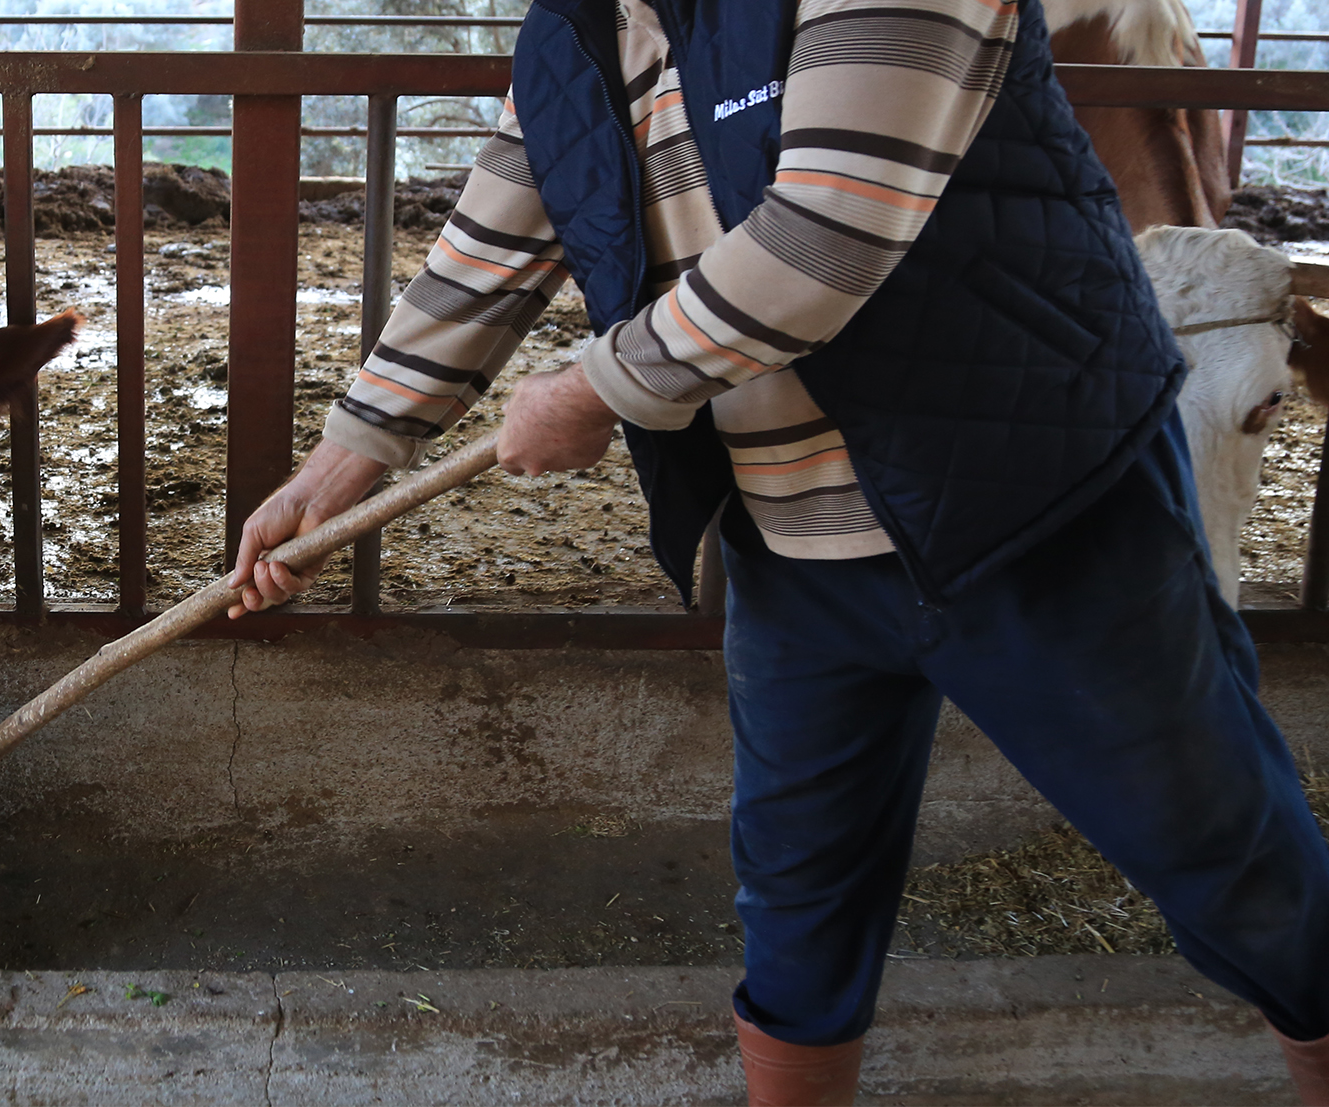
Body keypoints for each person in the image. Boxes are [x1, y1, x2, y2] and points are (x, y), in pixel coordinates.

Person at [225, 0, 1329, 1102]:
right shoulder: (579, 27)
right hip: (792, 531)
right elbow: (487, 251)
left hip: (1031, 510)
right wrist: (331, 479)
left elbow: (828, 231)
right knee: (798, 892)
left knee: (1222, 856)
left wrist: (596, 389)